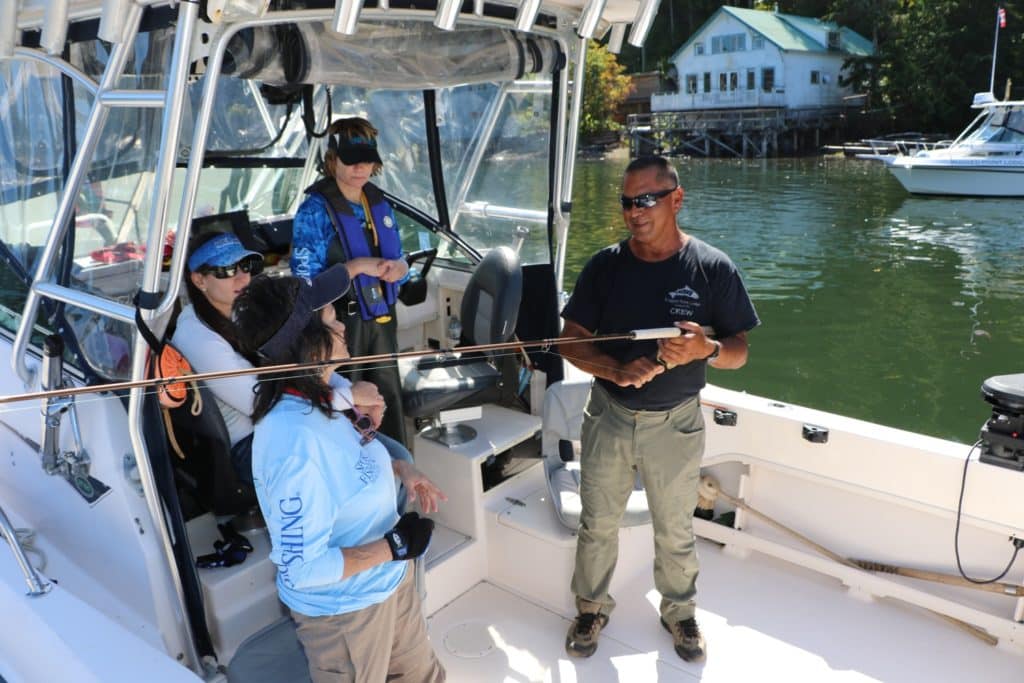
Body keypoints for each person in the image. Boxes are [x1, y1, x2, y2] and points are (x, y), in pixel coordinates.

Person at [558, 155, 759, 663]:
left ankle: (681, 613)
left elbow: (739, 351)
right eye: (626, 202)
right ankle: (591, 608)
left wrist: (705, 350)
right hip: (608, 414)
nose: (634, 211)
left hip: (677, 424)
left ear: (676, 198)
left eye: (646, 199)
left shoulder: (712, 268)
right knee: (598, 522)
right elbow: (569, 342)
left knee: (676, 527)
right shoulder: (605, 267)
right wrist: (613, 370)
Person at [232, 269, 446, 683]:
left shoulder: (327, 390)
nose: (343, 324)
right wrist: (395, 546)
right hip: (346, 614)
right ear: (307, 345)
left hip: (390, 583)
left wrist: (400, 468)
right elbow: (302, 570)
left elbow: (350, 460)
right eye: (332, 318)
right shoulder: (292, 445)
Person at [172, 231, 411, 495]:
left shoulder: (242, 307)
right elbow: (261, 403)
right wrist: (348, 397)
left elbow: (305, 358)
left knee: (395, 455)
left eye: (246, 266)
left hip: (292, 420)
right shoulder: (197, 338)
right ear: (198, 280)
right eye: (227, 270)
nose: (242, 277)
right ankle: (380, 536)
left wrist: (355, 400)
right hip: (253, 444)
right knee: (388, 467)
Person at [291, 116, 410, 445]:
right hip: (341, 324)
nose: (361, 168)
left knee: (388, 398)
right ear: (332, 160)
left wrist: (401, 268)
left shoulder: (379, 203)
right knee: (350, 401)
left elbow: (399, 255)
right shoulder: (314, 211)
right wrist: (355, 266)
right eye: (351, 160)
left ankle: (396, 466)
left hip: (382, 319)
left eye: (368, 160)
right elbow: (304, 281)